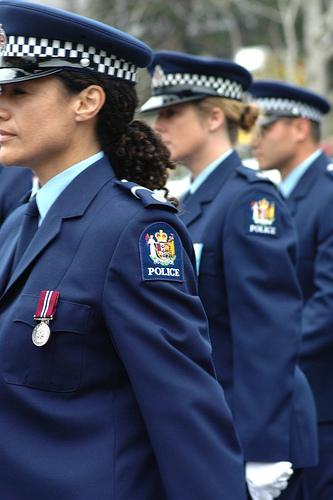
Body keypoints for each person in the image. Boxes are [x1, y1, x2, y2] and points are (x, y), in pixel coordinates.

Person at [0, 2, 248, 499]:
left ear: (86, 102)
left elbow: (184, 412)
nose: (2, 107)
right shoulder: (18, 223)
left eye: (20, 92)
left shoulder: (131, 232)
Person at [140, 51, 318, 500]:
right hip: (218, 422)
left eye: (172, 111)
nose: (159, 123)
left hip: (254, 428)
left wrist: (263, 449)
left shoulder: (249, 201)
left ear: (214, 117)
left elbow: (268, 332)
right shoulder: (192, 202)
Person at [250, 79, 333, 500]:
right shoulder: (274, 194)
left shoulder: (328, 193)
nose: (255, 137)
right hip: (280, 390)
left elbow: (329, 302)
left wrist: (265, 355)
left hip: (321, 397)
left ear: (300, 128)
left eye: (266, 127)